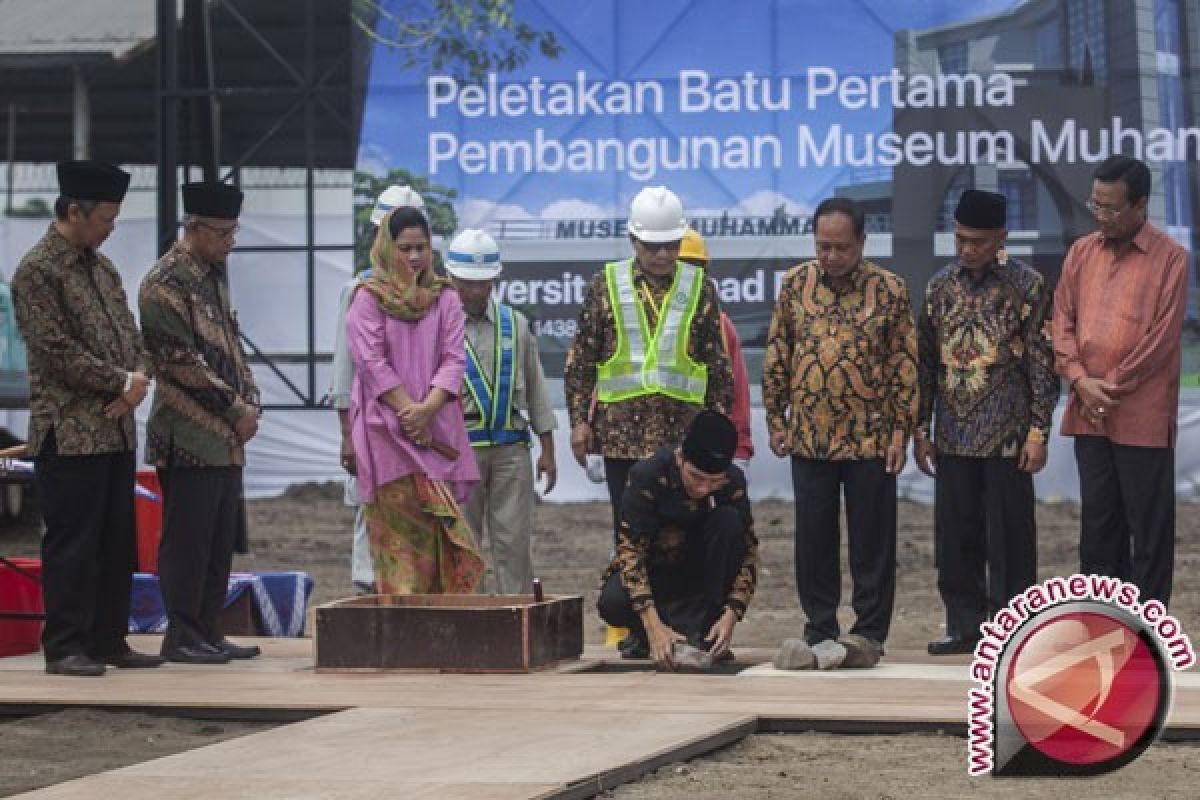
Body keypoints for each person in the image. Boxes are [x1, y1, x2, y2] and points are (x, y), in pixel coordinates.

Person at [11, 160, 161, 676]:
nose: (110, 229)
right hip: (70, 432)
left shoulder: (103, 267)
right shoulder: (38, 270)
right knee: (73, 542)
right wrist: (120, 383)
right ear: (74, 211)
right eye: (105, 219)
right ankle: (66, 645)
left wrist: (138, 379)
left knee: (116, 541)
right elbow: (54, 350)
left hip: (115, 427)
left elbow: (131, 334)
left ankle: (108, 639)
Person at [762, 196, 917, 664]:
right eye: (823, 246)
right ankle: (819, 626)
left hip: (870, 438)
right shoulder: (794, 284)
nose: (831, 257)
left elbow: (904, 366)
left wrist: (899, 433)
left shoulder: (890, 290)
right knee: (813, 539)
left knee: (872, 540)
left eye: (841, 248)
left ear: (862, 242)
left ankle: (868, 631)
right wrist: (775, 418)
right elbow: (778, 354)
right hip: (809, 436)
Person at [915, 189, 1057, 655]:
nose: (966, 248)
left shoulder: (1027, 285)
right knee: (955, 537)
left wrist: (1039, 431)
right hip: (952, 433)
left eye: (977, 240)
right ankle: (963, 624)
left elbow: (1041, 363)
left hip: (1008, 436)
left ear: (1001, 238)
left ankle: (1013, 630)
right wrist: (921, 429)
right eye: (960, 238)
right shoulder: (940, 287)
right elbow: (926, 364)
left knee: (1011, 537)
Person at [1053, 155, 1189, 607]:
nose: (1102, 216)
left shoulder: (1171, 258)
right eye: (1096, 206)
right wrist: (1079, 379)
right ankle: (1099, 621)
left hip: (1142, 414)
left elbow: (1163, 338)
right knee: (1098, 525)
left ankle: (1147, 629)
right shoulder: (1081, 252)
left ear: (1140, 205)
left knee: (1147, 530)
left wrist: (1107, 386)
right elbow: (1062, 321)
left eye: (1111, 208)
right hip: (1087, 409)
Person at [139, 181, 262, 664]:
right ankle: (183, 633)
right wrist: (236, 409)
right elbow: (179, 362)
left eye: (234, 231)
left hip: (226, 437)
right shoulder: (164, 282)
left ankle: (208, 628)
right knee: (188, 539)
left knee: (216, 541)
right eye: (223, 232)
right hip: (187, 433)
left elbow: (229, 343)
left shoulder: (212, 274)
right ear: (194, 227)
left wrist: (250, 399)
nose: (230, 241)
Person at [565, 186, 732, 538]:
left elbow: (717, 367)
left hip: (682, 440)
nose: (663, 254)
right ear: (633, 240)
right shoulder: (605, 285)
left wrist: (716, 432)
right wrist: (580, 422)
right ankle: (631, 594)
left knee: (683, 534)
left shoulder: (700, 288)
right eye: (652, 246)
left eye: (671, 245)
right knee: (630, 532)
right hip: (621, 437)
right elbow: (581, 362)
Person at [345, 207, 484, 594]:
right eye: (404, 248)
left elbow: (454, 359)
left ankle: (443, 628)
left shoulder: (445, 298)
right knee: (400, 542)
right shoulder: (367, 298)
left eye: (421, 247)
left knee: (447, 537)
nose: (413, 257)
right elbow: (370, 361)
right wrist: (410, 412)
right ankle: (405, 626)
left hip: (436, 429)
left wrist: (427, 411)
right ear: (387, 248)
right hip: (385, 432)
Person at [596, 410, 758, 670]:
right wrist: (652, 623)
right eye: (696, 477)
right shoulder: (646, 476)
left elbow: (749, 552)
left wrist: (731, 614)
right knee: (612, 602)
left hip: (700, 576)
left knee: (729, 521)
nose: (704, 489)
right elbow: (630, 552)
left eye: (714, 482)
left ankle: (703, 633)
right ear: (681, 457)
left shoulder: (732, 483)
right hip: (655, 572)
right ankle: (649, 634)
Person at [444, 229, 558, 594]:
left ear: (496, 278)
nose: (476, 291)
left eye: (484, 283)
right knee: (464, 542)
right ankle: (473, 622)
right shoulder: (437, 325)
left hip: (512, 448)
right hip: (460, 448)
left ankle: (517, 616)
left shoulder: (516, 324)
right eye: (467, 283)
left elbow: (537, 387)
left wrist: (548, 451)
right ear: (451, 278)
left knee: (514, 542)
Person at [330, 184, 426, 594]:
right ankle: (371, 595)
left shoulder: (437, 293)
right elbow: (345, 367)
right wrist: (346, 434)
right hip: (373, 423)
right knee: (373, 507)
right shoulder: (359, 291)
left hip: (424, 422)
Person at [678, 227, 754, 467]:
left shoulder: (722, 325)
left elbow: (737, 391)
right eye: (682, 267)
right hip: (649, 444)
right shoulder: (640, 321)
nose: (688, 276)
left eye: (695, 268)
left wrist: (740, 448)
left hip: (704, 445)